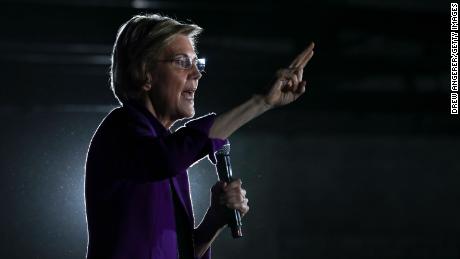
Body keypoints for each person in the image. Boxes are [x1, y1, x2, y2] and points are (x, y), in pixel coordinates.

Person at [85, 14, 314, 259]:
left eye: (198, 63)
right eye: (183, 62)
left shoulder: (163, 147)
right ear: (145, 73)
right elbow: (167, 157)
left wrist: (214, 220)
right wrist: (261, 102)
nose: (197, 74)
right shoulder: (121, 128)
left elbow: (177, 253)